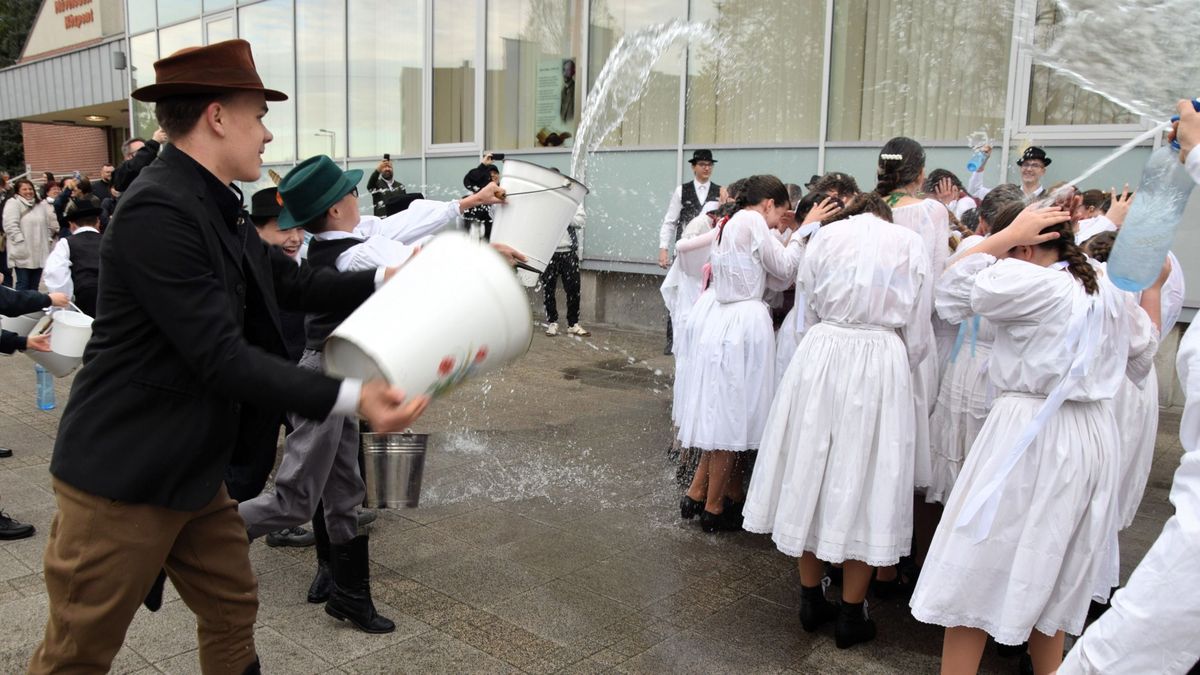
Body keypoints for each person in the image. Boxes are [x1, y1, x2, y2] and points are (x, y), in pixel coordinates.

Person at [28, 40, 430, 675]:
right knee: (79, 650)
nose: (267, 134)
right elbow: (221, 357)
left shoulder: (219, 206)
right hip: (123, 478)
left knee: (232, 607)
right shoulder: (159, 207)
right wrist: (353, 397)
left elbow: (293, 285)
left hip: (191, 470)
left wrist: (390, 279)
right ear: (217, 117)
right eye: (258, 115)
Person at [237, 154, 510, 633]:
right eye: (349, 190)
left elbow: (402, 224)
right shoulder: (351, 253)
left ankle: (348, 596)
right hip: (323, 376)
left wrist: (471, 202)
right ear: (339, 207)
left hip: (349, 377)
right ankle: (197, 533)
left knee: (345, 493)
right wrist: (482, 261)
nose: (355, 193)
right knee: (294, 501)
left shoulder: (353, 234)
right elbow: (404, 263)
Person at [908, 198, 1159, 675]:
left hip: (1030, 430)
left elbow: (949, 287)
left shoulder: (1027, 281)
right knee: (1058, 565)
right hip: (1091, 436)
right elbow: (1144, 350)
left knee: (976, 562)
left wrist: (1000, 238)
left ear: (1026, 246)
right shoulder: (1106, 284)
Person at [742, 192, 930, 649]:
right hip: (880, 354)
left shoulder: (825, 238)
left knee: (813, 470)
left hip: (822, 352)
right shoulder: (909, 242)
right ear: (884, 217)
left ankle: (810, 598)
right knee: (868, 477)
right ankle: (851, 612)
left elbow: (804, 313)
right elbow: (920, 332)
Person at [1056, 97, 1200, 675]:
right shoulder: (1105, 258)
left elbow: (1144, 347)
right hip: (1106, 393)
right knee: (1091, 499)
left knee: (1106, 501)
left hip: (1122, 394)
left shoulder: (1154, 270)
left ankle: (1089, 595)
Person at [674, 175, 804, 533]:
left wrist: (783, 236)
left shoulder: (733, 222)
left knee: (725, 413)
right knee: (734, 416)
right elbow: (785, 270)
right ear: (768, 204)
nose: (781, 218)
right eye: (780, 211)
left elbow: (770, 276)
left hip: (727, 319)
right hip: (745, 323)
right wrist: (803, 234)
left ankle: (699, 493)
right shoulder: (751, 220)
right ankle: (714, 507)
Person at [658, 149, 721, 354]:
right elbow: (670, 221)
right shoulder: (681, 191)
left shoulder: (720, 192)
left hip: (709, 251)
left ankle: (701, 334)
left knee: (703, 291)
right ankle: (673, 338)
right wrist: (663, 249)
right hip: (685, 248)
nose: (706, 168)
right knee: (679, 290)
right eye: (702, 164)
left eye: (709, 164)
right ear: (693, 166)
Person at [43, 199, 102, 317]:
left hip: (85, 300)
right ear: (98, 223)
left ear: (72, 225)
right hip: (114, 299)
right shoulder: (111, 241)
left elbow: (56, 274)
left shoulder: (66, 243)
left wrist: (64, 310)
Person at [2, 177, 58, 291]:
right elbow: (10, 225)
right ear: (18, 191)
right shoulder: (13, 203)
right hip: (22, 251)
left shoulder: (40, 204)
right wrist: (20, 241)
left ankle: (33, 307)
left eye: (30, 189)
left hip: (40, 252)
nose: (28, 191)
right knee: (23, 283)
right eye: (24, 189)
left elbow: (47, 224)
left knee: (34, 284)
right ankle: (20, 308)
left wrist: (48, 239)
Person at [541, 204, 589, 337]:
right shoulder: (547, 199)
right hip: (549, 252)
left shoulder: (573, 200)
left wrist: (563, 215)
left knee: (573, 289)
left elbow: (581, 221)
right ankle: (552, 322)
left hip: (569, 253)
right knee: (548, 289)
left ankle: (573, 324)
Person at [968, 145, 1050, 200]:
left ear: (1043, 171)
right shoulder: (1008, 194)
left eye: (1035, 165)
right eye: (1025, 164)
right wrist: (981, 163)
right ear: (1020, 168)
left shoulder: (1048, 199)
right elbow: (975, 191)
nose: (1029, 169)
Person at [462, 154, 501, 240]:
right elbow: (469, 179)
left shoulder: (503, 191)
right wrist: (483, 166)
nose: (493, 175)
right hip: (480, 240)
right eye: (490, 174)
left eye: (495, 173)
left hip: (499, 235)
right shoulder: (478, 193)